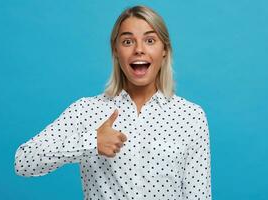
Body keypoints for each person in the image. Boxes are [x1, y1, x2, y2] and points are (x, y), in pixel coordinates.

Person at [14, 5, 212, 200]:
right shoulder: (86, 110)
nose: (139, 50)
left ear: (164, 50)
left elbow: (199, 195)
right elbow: (24, 161)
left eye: (150, 40)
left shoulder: (190, 116)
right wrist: (91, 142)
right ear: (115, 50)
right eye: (127, 42)